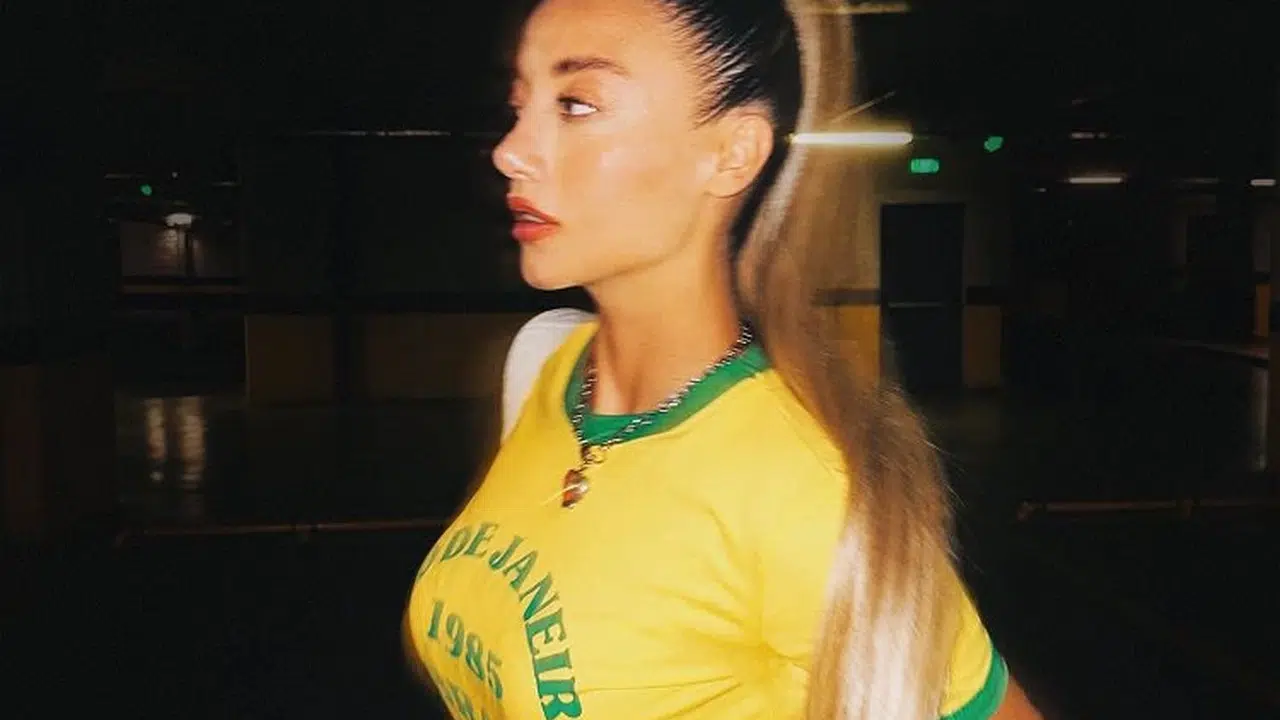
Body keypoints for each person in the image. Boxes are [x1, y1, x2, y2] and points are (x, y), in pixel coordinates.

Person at [404, 0, 1042, 718]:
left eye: (577, 104)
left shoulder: (802, 482)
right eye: (521, 106)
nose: (510, 150)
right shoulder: (549, 367)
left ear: (732, 153)